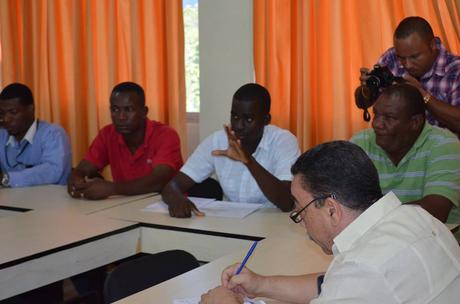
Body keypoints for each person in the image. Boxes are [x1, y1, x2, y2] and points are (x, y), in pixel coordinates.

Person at [201, 141, 460, 304]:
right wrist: (260, 285)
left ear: (331, 210)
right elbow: (333, 282)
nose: (300, 220)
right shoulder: (416, 218)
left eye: (300, 208)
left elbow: (355, 278)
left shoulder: (366, 267)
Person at [162, 83, 299, 217]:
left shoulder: (283, 141)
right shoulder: (217, 140)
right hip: (231, 225)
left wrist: (248, 161)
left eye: (249, 119)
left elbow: (286, 202)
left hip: (273, 225)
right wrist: (177, 199)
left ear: (266, 119)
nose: (238, 125)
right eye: (235, 116)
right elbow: (172, 186)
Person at [351, 84, 460, 229]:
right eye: (376, 114)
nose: (377, 124)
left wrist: (371, 216)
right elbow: (339, 197)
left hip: (435, 243)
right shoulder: (362, 142)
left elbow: (435, 211)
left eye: (389, 118)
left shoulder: (444, 144)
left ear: (415, 122)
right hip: (376, 240)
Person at [68, 81, 183, 200]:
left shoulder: (165, 135)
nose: (121, 117)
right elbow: (84, 168)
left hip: (165, 206)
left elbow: (159, 180)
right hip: (124, 205)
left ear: (144, 112)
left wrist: (112, 188)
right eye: (115, 110)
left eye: (129, 110)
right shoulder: (107, 134)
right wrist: (76, 178)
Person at [360, 16, 460, 135]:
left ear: (432, 45)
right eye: (401, 58)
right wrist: (366, 89)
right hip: (394, 146)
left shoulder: (455, 70)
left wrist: (422, 95)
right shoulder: (391, 57)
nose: (407, 65)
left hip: (441, 149)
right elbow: (362, 103)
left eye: (414, 57)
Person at [0, 83, 71, 187]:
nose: (5, 119)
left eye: (13, 112)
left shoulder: (52, 133)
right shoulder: (2, 134)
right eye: (1, 113)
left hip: (48, 201)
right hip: (11, 201)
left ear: (31, 109)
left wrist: (6, 178)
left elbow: (53, 171)